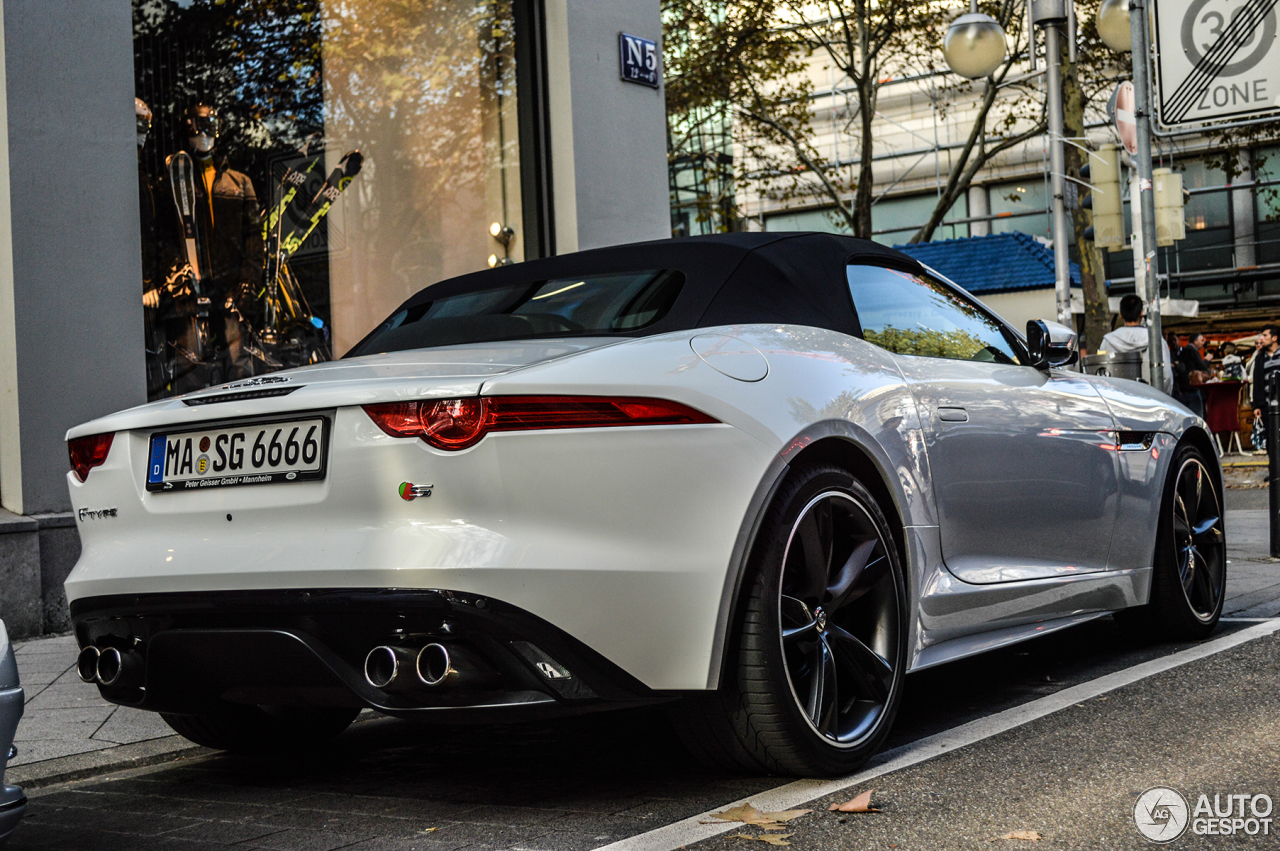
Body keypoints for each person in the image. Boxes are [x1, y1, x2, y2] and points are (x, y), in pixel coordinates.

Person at [1098, 294, 1174, 389]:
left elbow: (1101, 375)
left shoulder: (1108, 341)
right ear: (1141, 313)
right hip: (1149, 398)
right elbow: (1166, 376)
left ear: (1121, 315)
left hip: (1118, 399)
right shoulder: (1156, 340)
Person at [1175, 333, 1211, 417]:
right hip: (1193, 389)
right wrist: (1207, 360)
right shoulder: (1192, 350)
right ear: (1195, 341)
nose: (1203, 343)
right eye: (1201, 340)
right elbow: (1202, 367)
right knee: (1198, 418)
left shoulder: (1182, 351)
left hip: (1182, 390)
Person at [1251, 325, 1280, 428]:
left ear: (1274, 338)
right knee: (1270, 438)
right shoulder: (1260, 358)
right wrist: (1256, 406)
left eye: (1265, 335)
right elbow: (1257, 383)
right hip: (1267, 407)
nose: (1261, 338)